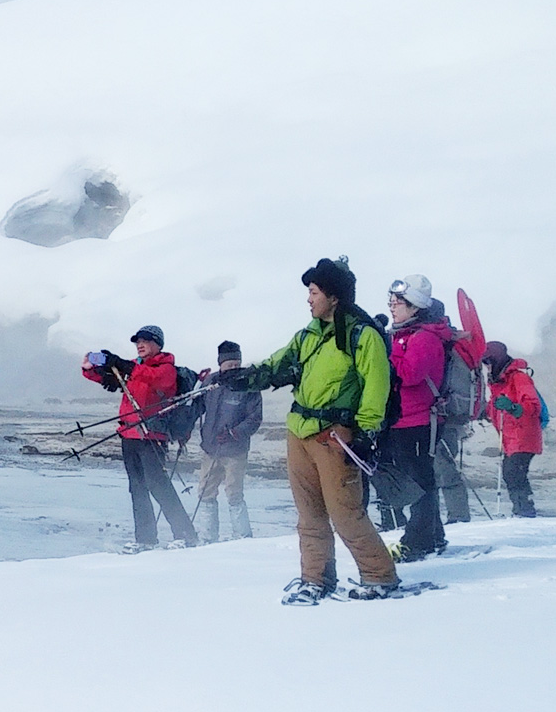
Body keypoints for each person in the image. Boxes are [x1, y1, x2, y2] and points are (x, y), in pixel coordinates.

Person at [218, 257, 401, 604]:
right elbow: (278, 365)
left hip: (336, 438)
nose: (308, 299)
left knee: (345, 513)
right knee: (309, 515)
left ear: (333, 297)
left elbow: (376, 387)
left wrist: (365, 434)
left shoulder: (363, 336)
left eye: (314, 292)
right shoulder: (307, 336)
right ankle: (315, 577)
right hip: (299, 433)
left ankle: (380, 575)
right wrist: (243, 378)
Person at [80, 325, 197, 551]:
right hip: (129, 434)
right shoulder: (135, 367)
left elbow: (152, 379)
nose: (140, 345)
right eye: (137, 342)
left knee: (158, 485)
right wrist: (90, 368)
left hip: (152, 435)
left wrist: (122, 364)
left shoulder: (165, 369)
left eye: (145, 341)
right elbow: (113, 379)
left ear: (158, 344)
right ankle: (145, 539)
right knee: (137, 487)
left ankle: (186, 534)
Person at [380, 275, 454, 559]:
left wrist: (385, 354)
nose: (392, 306)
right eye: (392, 300)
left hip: (418, 420)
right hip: (406, 419)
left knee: (418, 482)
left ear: (415, 307)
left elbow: (409, 375)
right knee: (421, 479)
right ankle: (433, 534)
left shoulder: (424, 338)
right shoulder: (407, 336)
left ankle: (417, 540)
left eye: (398, 302)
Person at [193, 340, 264, 542]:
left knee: (234, 493)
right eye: (229, 364)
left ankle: (242, 536)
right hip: (210, 448)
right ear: (220, 364)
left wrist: (234, 433)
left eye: (236, 363)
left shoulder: (249, 385)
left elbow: (254, 418)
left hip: (235, 451)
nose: (233, 368)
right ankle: (208, 537)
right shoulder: (210, 383)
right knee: (205, 492)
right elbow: (197, 406)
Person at [484, 341, 544, 518]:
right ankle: (522, 508)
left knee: (513, 472)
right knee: (513, 472)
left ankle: (524, 509)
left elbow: (533, 406)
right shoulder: (498, 381)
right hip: (511, 437)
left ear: (496, 360)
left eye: (488, 362)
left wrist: (513, 408)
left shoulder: (518, 377)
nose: (486, 367)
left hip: (523, 434)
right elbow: (495, 408)